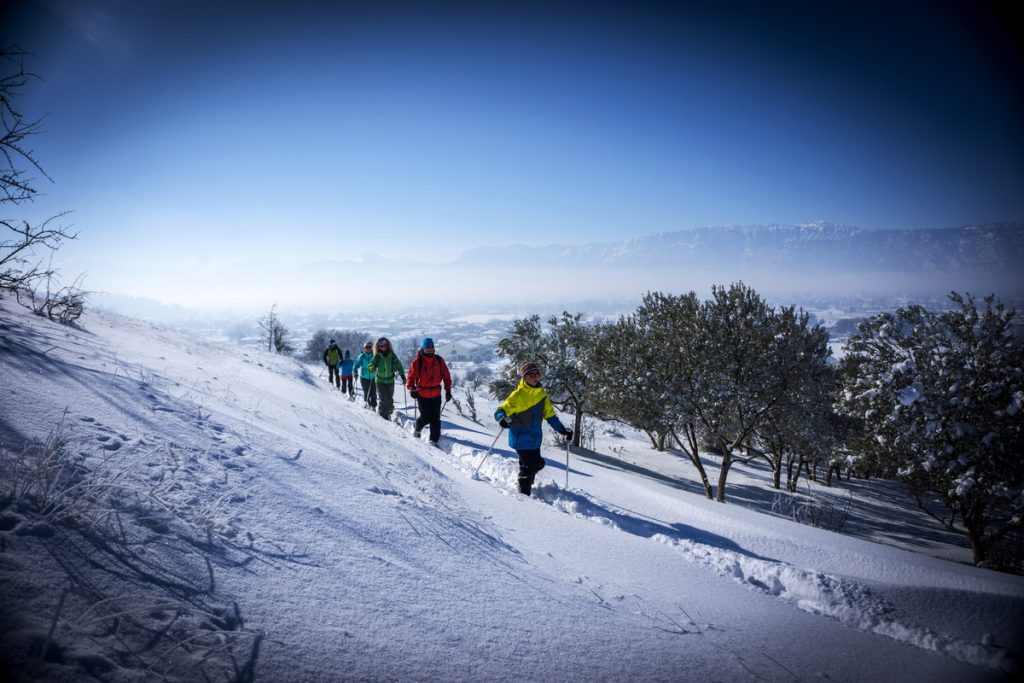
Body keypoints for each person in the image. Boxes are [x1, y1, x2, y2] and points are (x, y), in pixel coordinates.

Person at [494, 362, 573, 496]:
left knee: (538, 464)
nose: (536, 377)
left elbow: (550, 416)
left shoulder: (542, 396)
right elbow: (500, 410)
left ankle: (527, 480)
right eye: (532, 374)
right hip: (520, 438)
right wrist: (501, 418)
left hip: (535, 438)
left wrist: (562, 430)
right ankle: (524, 495)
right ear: (524, 377)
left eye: (538, 374)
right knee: (528, 467)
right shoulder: (517, 395)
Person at [406, 337, 452, 446]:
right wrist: (412, 389)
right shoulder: (417, 362)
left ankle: (434, 440)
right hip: (422, 394)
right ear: (423, 348)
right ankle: (418, 426)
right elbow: (410, 378)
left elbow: (446, 376)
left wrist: (448, 390)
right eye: (427, 347)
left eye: (432, 346)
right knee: (426, 416)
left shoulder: (439, 360)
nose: (430, 349)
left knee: (435, 418)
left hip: (436, 394)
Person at [368, 336, 405, 421]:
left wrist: (403, 376)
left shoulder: (392, 356)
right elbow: (370, 366)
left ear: (387, 345)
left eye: (385, 345)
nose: (383, 347)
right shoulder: (377, 357)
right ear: (378, 347)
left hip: (390, 380)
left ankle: (388, 413)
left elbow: (399, 366)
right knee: (383, 399)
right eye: (381, 346)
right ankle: (382, 418)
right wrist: (372, 368)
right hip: (380, 381)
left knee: (389, 400)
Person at [353, 341, 377, 409]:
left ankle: (374, 406)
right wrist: (355, 371)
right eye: (366, 347)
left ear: (371, 348)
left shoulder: (374, 355)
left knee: (374, 393)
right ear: (364, 348)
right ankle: (368, 404)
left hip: (373, 377)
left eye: (369, 347)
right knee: (366, 392)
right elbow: (356, 363)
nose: (368, 348)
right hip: (364, 377)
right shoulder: (362, 356)